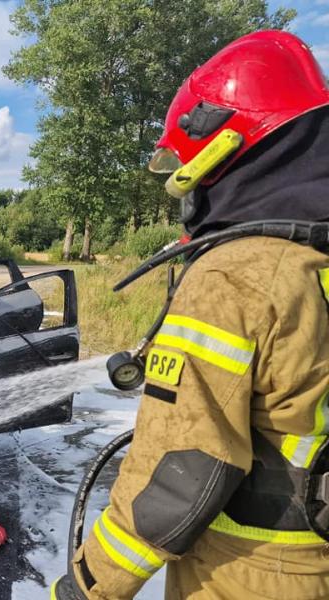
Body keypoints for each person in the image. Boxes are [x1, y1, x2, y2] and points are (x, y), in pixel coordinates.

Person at [55, 31, 329, 599]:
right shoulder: (312, 259)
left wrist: (85, 586)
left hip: (253, 574)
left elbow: (181, 476)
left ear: (222, 151)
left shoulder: (236, 274)